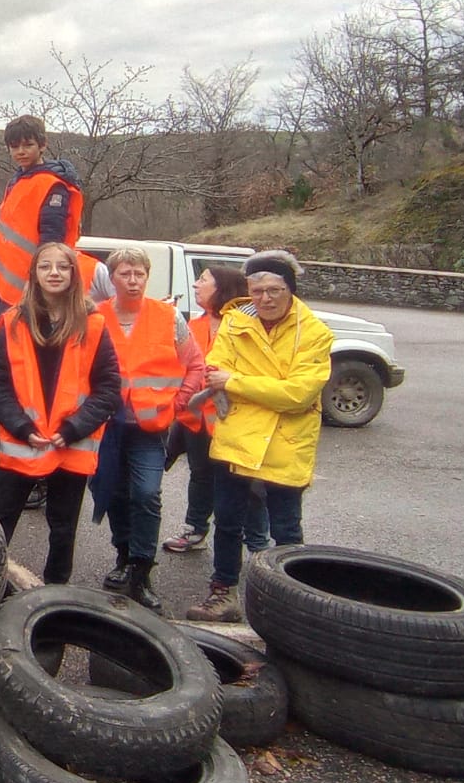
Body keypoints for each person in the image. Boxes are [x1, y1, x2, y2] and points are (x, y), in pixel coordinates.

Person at [187, 252, 333, 623]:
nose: (266, 298)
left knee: (285, 530)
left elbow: (299, 394)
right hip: (237, 439)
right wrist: (269, 389)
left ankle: (291, 604)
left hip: (286, 443)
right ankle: (222, 594)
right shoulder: (235, 323)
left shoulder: (314, 332)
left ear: (291, 289)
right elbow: (214, 371)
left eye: (275, 290)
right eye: (258, 290)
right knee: (228, 523)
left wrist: (237, 383)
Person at [0, 242, 122, 586]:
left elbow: (108, 388)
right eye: (46, 266)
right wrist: (20, 425)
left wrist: (75, 428)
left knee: (63, 530)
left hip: (70, 443)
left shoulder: (94, 324)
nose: (54, 273)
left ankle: (56, 599)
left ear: (74, 274)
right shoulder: (12, 322)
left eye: (63, 266)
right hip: (22, 440)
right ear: (34, 274)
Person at [87, 247, 207, 612]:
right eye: (125, 273)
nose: (133, 280)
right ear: (113, 278)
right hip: (104, 428)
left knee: (146, 493)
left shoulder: (168, 317)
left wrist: (177, 404)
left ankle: (142, 570)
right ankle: (123, 558)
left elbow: (196, 365)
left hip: (149, 428)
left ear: (147, 276)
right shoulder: (96, 317)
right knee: (112, 494)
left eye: (139, 273)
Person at [162, 265, 257, 555]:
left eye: (203, 280)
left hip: (232, 419)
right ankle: (195, 529)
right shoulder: (195, 325)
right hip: (196, 419)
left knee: (246, 483)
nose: (195, 285)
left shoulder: (243, 325)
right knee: (200, 474)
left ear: (222, 288)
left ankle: (256, 540)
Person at [0, 115, 84, 315]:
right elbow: (22, 223)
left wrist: (38, 284)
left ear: (42, 145)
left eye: (28, 145)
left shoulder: (52, 185)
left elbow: (52, 239)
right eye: (14, 146)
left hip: (29, 286)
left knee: (12, 340)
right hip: (6, 282)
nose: (21, 152)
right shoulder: (20, 179)